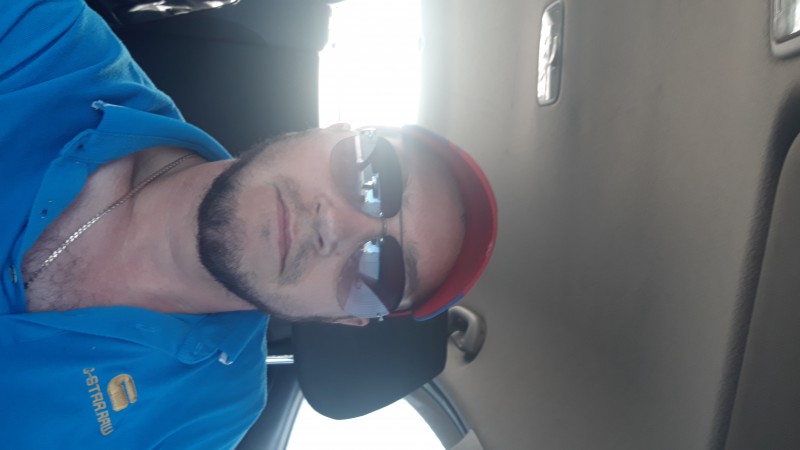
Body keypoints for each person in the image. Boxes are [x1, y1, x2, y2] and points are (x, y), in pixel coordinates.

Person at [0, 0, 497, 448]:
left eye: (379, 272)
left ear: (343, 318)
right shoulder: (46, 41)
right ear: (333, 130)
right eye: (373, 175)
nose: (336, 226)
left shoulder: (208, 419)